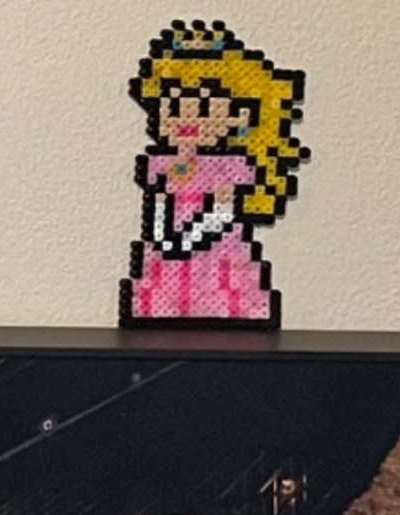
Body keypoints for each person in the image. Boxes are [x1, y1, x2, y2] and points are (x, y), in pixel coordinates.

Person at [119, 21, 307, 327]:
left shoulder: (230, 168)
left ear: (240, 116)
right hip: (168, 259)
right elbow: (158, 208)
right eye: (174, 107)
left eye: (205, 108)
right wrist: (164, 239)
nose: (188, 118)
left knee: (218, 302)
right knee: (163, 310)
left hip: (215, 259)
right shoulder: (162, 165)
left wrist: (183, 241)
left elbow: (221, 214)